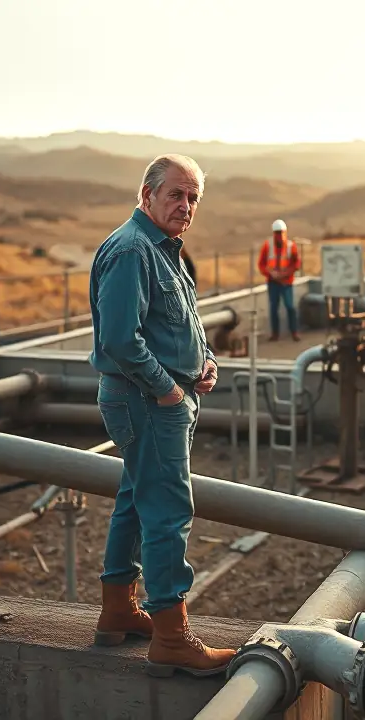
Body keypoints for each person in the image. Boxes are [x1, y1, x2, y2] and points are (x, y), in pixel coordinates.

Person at [86, 154, 230, 677]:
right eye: (176, 194)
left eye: (193, 197)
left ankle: (118, 610)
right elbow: (121, 339)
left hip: (154, 398)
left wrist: (204, 362)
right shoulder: (131, 250)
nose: (186, 206)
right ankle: (172, 635)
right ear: (146, 194)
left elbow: (182, 322)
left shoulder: (163, 249)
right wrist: (169, 388)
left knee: (134, 496)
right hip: (145, 400)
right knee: (169, 509)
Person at [257, 218, 301, 341]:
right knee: (273, 308)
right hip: (273, 282)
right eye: (277, 233)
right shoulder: (267, 246)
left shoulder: (291, 246)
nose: (279, 235)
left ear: (285, 232)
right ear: (273, 233)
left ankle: (294, 332)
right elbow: (261, 264)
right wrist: (270, 274)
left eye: (281, 232)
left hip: (287, 283)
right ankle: (275, 334)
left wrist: (286, 273)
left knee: (290, 307)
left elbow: (296, 264)